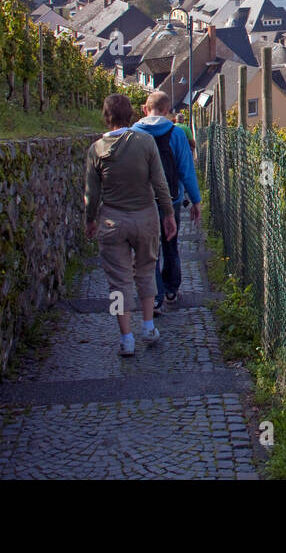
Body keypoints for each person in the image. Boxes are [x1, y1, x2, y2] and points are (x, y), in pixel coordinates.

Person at [85, 93, 177, 356]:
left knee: (118, 283)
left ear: (106, 117)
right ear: (132, 115)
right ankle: (148, 326)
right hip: (146, 217)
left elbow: (92, 195)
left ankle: (126, 338)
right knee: (146, 272)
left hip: (112, 221)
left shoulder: (96, 150)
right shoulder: (146, 142)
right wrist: (168, 214)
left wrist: (90, 220)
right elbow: (160, 183)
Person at [134, 91, 201, 311]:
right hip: (171, 200)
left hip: (143, 201)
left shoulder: (133, 134)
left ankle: (154, 296)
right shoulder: (176, 134)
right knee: (170, 244)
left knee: (148, 250)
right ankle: (171, 288)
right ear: (168, 112)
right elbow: (186, 170)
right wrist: (195, 200)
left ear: (145, 108)